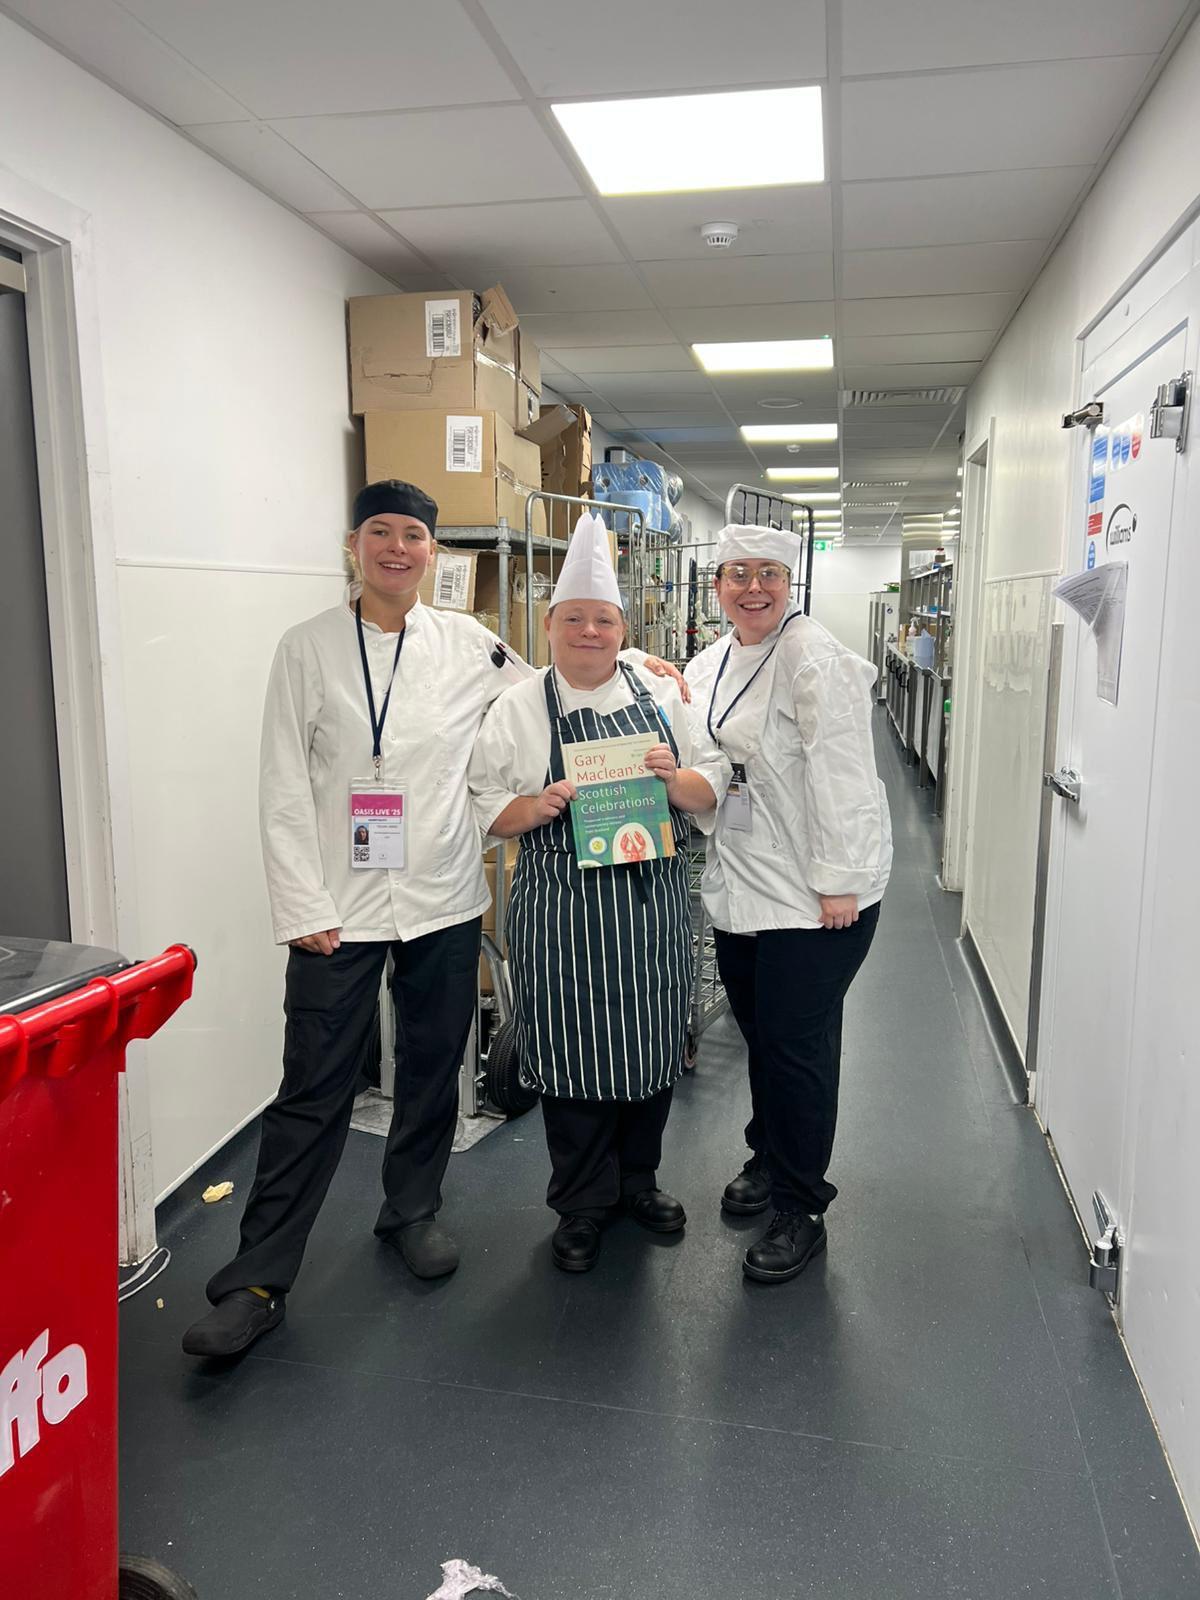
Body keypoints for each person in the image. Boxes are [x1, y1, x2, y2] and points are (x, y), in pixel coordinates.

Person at [182, 483, 686, 1357]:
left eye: (414, 536)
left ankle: (410, 1212)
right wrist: (301, 903)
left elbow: (560, 679)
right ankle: (256, 1279)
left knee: (428, 1070)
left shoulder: (468, 644)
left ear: (432, 554)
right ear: (355, 545)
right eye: (381, 533)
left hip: (443, 896)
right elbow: (279, 786)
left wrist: (647, 667)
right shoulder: (304, 650)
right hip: (339, 907)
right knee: (313, 1088)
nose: (398, 549)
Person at [469, 514, 730, 1273]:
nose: (589, 631)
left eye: (604, 620)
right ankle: (581, 1203)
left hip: (646, 909)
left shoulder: (660, 691)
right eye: (574, 618)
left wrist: (670, 778)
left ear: (623, 628)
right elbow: (486, 802)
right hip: (561, 913)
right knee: (575, 1060)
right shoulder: (518, 709)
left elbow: (709, 776)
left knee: (649, 1052)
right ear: (549, 627)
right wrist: (538, 806)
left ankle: (639, 1184)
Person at [683, 524, 891, 1285]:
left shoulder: (816, 658)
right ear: (717, 585)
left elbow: (843, 775)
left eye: (768, 573)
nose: (752, 587)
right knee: (764, 1036)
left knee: (797, 1049)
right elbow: (707, 758)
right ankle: (768, 1157)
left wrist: (839, 880)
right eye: (737, 574)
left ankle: (800, 1206)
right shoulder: (710, 661)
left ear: (789, 581)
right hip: (744, 887)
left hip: (817, 896)